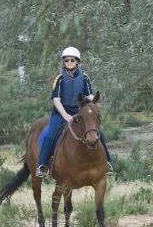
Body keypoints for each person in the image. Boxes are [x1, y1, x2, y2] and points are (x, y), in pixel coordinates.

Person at [35, 46, 114, 178]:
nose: (69, 63)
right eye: (66, 60)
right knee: (49, 136)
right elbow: (56, 100)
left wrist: (91, 106)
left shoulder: (85, 78)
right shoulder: (59, 79)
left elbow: (89, 96)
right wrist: (65, 116)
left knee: (100, 133)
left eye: (72, 60)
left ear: (77, 61)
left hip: (79, 112)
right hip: (60, 113)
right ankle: (42, 166)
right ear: (64, 62)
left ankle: (107, 162)